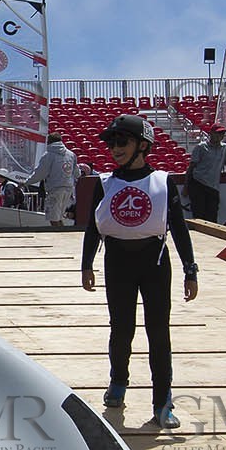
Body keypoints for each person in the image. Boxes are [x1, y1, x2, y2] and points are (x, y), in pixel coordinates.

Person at [81, 115, 199, 428]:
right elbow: (92, 228)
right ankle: (118, 382)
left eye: (122, 142)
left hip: (155, 265)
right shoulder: (105, 183)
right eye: (111, 143)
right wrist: (86, 264)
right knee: (121, 330)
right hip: (117, 264)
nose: (114, 149)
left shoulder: (162, 181)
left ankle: (162, 402)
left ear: (143, 146)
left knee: (158, 334)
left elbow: (179, 227)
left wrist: (191, 269)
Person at [186, 126, 226, 222]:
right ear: (211, 134)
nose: (220, 136)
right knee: (199, 215)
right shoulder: (201, 147)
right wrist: (187, 186)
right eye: (218, 133)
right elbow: (191, 167)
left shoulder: (225, 148)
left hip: (213, 186)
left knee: (212, 216)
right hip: (198, 183)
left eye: (222, 134)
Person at [24, 133, 79, 228]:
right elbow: (77, 173)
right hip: (68, 189)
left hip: (55, 189)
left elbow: (40, 173)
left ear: (49, 142)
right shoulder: (71, 154)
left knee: (53, 218)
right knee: (59, 217)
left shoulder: (48, 155)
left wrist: (26, 182)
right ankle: (64, 236)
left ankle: (60, 238)